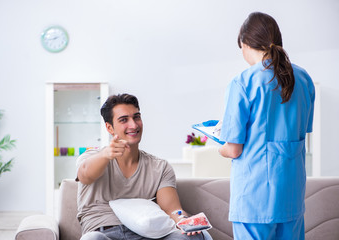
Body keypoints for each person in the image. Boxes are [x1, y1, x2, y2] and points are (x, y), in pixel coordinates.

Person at [218, 12, 315, 240]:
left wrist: (219, 144)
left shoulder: (243, 82)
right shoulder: (303, 79)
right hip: (291, 196)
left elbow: (233, 149)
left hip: (254, 200)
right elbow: (301, 132)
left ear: (244, 43)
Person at [76, 93, 206, 240]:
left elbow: (173, 210)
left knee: (190, 238)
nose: (134, 124)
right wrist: (105, 155)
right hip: (104, 233)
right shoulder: (93, 158)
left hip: (147, 236)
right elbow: (85, 175)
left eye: (136, 117)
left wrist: (182, 220)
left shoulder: (160, 167)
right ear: (110, 128)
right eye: (124, 120)